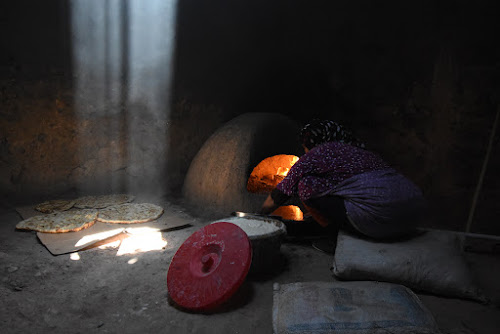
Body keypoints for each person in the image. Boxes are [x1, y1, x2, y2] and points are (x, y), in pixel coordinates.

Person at [260, 119, 427, 241]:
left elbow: (280, 193)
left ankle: (330, 236)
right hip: (414, 213)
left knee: (306, 185)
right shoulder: (360, 152)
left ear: (311, 142)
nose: (304, 151)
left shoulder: (317, 154)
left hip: (381, 218)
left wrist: (259, 217)